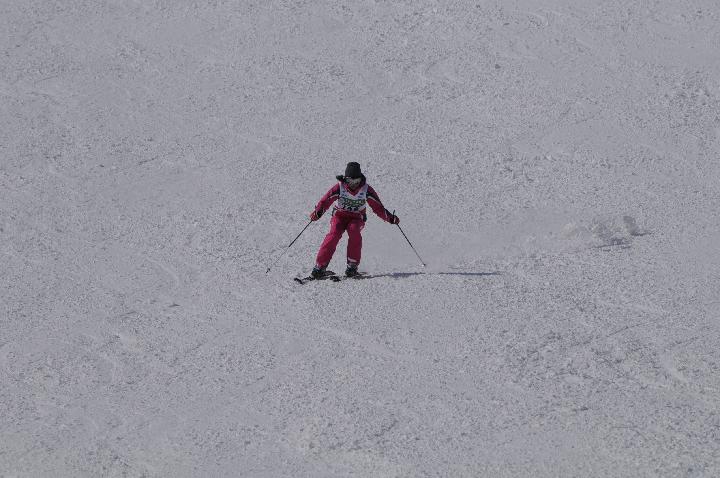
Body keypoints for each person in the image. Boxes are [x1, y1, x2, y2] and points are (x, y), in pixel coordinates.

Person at [309, 162, 399, 278]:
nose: (353, 185)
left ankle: (352, 266)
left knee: (354, 231)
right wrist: (318, 212)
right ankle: (320, 267)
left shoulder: (366, 189)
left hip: (357, 217)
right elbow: (326, 200)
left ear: (360, 179)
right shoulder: (339, 187)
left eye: (356, 181)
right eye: (350, 181)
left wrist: (390, 218)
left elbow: (378, 207)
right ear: (345, 179)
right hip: (340, 216)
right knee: (334, 234)